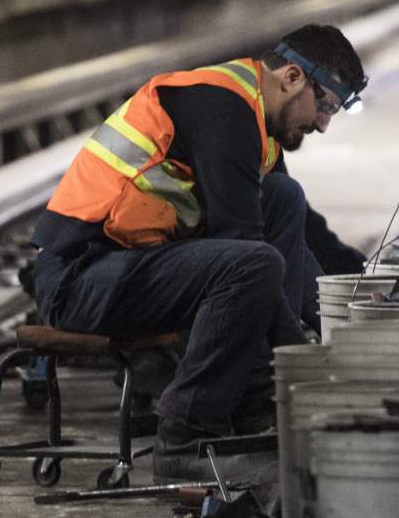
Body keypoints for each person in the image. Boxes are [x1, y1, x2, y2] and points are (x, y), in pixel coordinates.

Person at [29, 24, 367, 479]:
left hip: (132, 269)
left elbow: (299, 241)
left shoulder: (255, 118)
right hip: (81, 278)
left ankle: (253, 410)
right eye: (325, 104)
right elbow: (247, 248)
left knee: (283, 198)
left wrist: (347, 319)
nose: (324, 124)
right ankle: (186, 438)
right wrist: (299, 361)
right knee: (252, 264)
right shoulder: (222, 109)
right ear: (291, 78)